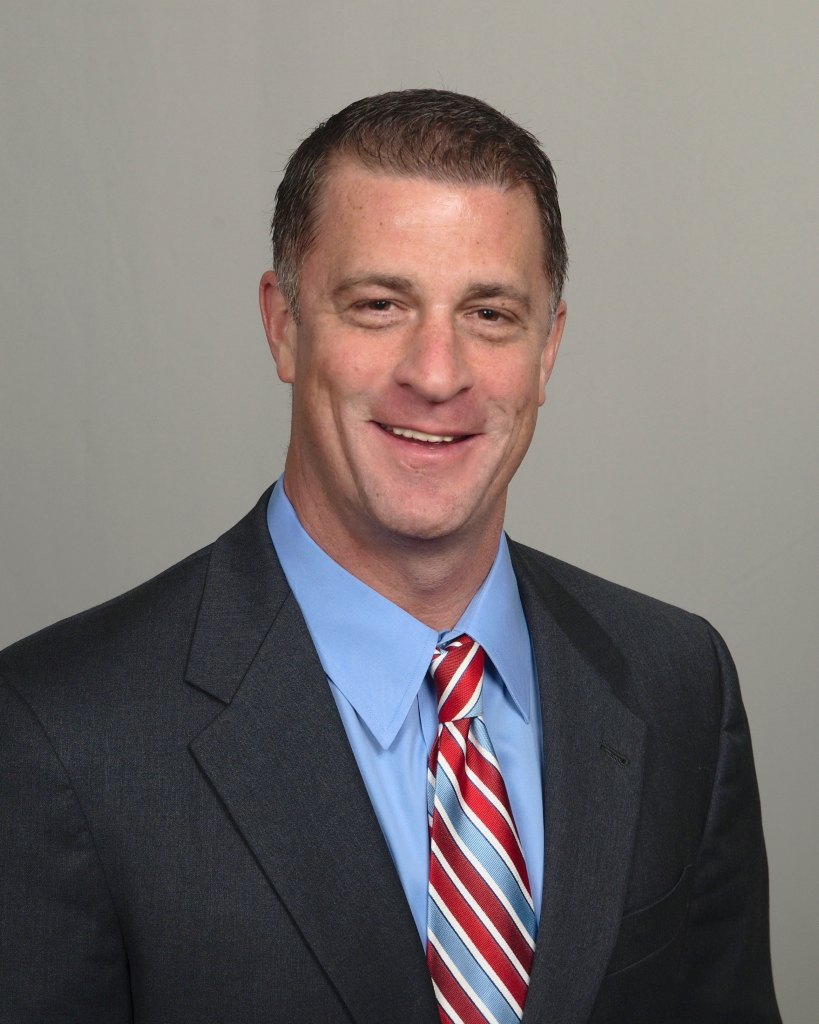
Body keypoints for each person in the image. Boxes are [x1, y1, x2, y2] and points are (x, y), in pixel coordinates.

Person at [0, 89, 780, 1024]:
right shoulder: (57, 734)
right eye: (379, 305)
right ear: (284, 325)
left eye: (489, 313)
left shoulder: (677, 680)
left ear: (547, 349)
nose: (436, 374)